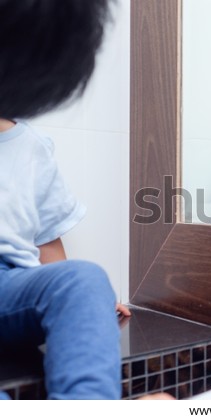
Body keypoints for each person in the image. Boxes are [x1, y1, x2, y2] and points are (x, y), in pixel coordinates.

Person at [0, 0, 171, 400]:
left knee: (85, 278)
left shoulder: (32, 147)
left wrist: (90, 303)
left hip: (12, 285)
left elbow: (47, 243)